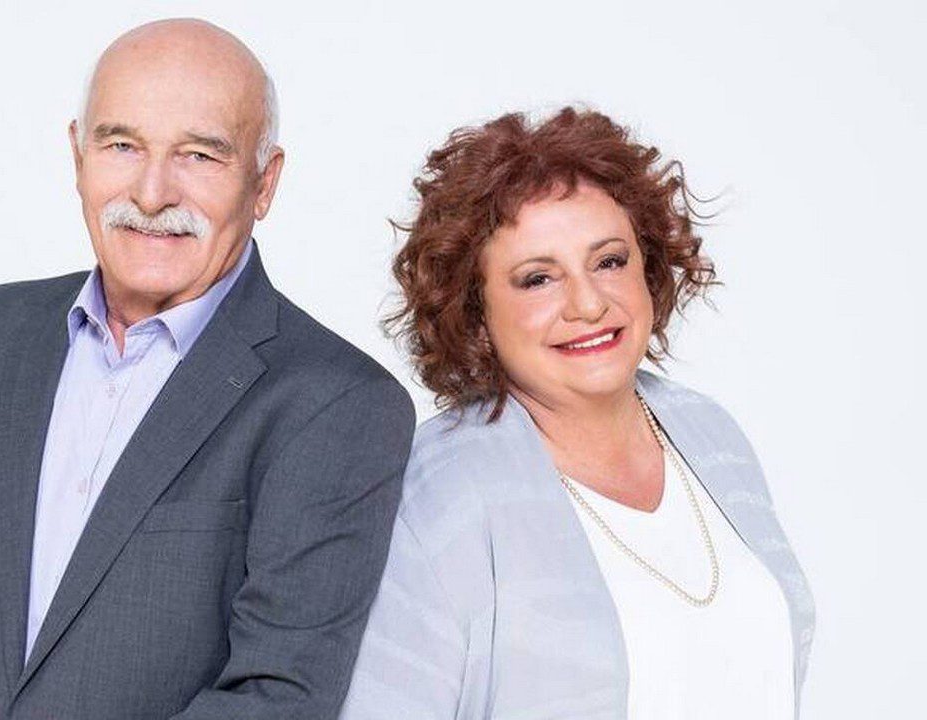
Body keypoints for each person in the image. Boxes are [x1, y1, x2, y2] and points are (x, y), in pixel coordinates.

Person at [0, 19, 415, 719]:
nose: (151, 194)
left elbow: (275, 695)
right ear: (78, 155)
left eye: (199, 156)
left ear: (264, 182)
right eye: (121, 145)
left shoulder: (337, 405)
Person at [341, 108, 814, 719]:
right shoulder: (440, 494)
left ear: (648, 267)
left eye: (609, 261)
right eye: (538, 278)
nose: (588, 303)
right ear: (476, 313)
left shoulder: (710, 433)